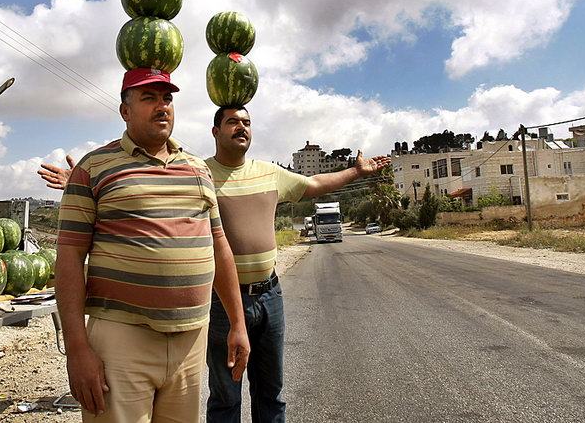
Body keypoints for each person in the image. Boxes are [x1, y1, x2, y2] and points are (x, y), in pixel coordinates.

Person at [40, 104, 391, 423]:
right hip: (220, 301)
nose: (242, 128)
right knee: (225, 397)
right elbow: (142, 185)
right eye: (233, 122)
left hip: (270, 295)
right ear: (215, 132)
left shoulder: (270, 174)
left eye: (247, 122)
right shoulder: (196, 170)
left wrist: (356, 172)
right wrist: (81, 185)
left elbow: (315, 182)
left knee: (272, 393)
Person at [54, 68, 249, 423]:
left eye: (167, 98)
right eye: (149, 98)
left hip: (191, 341)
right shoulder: (94, 167)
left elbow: (219, 246)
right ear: (125, 110)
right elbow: (68, 256)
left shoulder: (197, 169)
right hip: (122, 339)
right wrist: (77, 349)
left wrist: (238, 322)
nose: (162, 107)